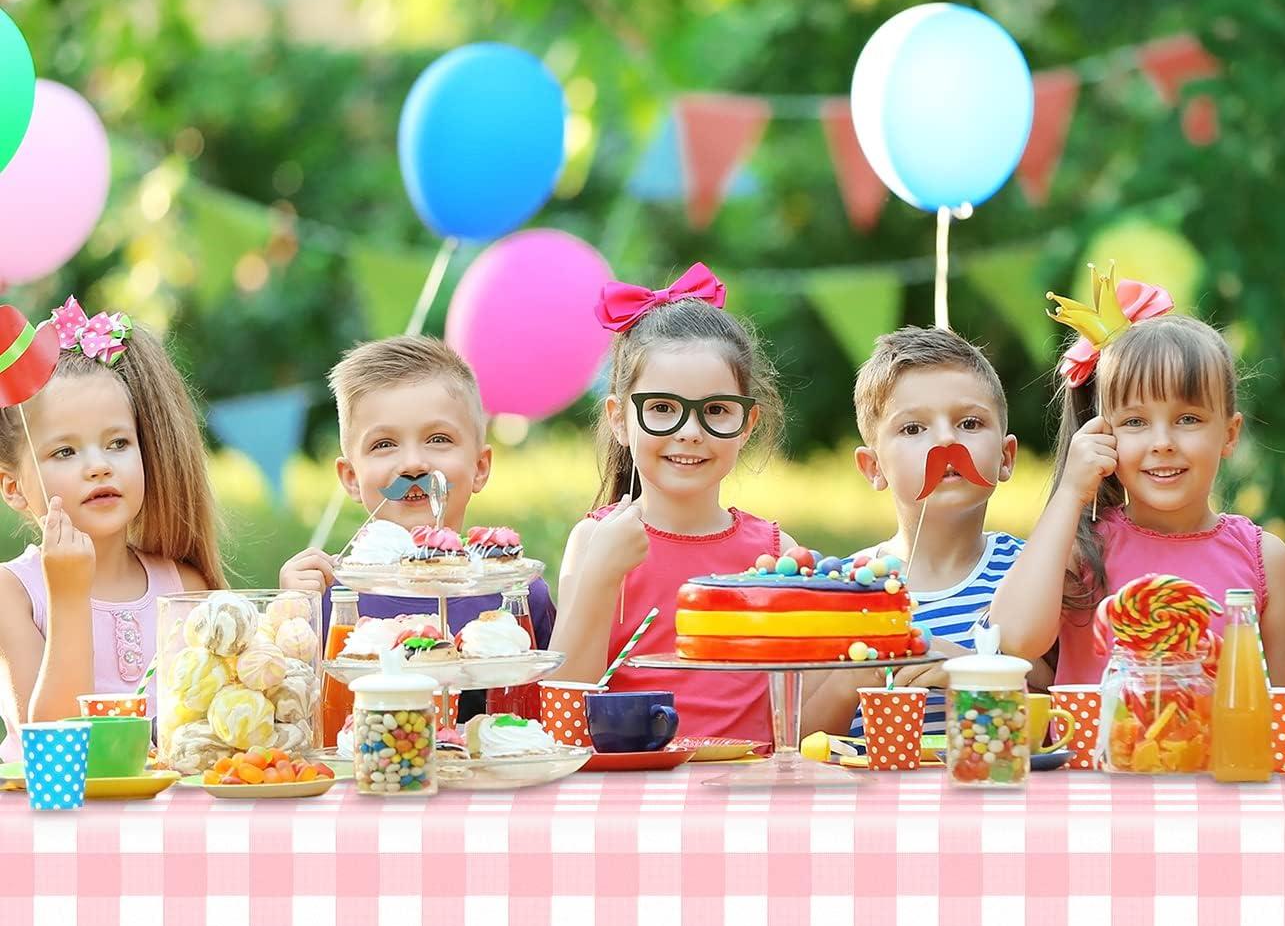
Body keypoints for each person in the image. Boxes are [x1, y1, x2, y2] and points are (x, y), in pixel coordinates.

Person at [989, 265, 1285, 684]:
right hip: (1094, 751)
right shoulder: (1083, 547)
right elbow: (1013, 639)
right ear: (1103, 432)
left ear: (1229, 434)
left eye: (1188, 418)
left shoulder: (1265, 559)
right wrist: (1069, 494)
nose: (1162, 442)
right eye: (1135, 422)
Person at [551, 263, 788, 743]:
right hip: (629, 795)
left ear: (747, 423)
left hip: (745, 796)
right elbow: (561, 717)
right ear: (619, 419)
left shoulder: (774, 556)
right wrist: (601, 574)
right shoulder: (595, 540)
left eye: (717, 411)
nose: (689, 432)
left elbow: (800, 717)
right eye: (662, 408)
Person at [278, 335, 556, 721]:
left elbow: (550, 712)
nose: (412, 464)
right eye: (384, 444)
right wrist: (291, 616)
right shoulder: (329, 598)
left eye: (438, 439)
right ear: (351, 478)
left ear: (480, 467)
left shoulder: (515, 595)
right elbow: (285, 716)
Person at [0, 299, 224, 753]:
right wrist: (67, 596)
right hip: (56, 820)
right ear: (13, 487)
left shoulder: (184, 585)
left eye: (118, 443)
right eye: (65, 452)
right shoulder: (13, 593)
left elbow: (226, 723)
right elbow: (54, 746)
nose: (99, 466)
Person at [801, 326, 1022, 740]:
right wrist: (860, 668)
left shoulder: (1030, 572)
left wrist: (964, 670)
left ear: (1006, 457)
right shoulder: (841, 590)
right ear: (873, 468)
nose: (945, 441)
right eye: (913, 429)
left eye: (969, 423)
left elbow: (1058, 713)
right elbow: (799, 738)